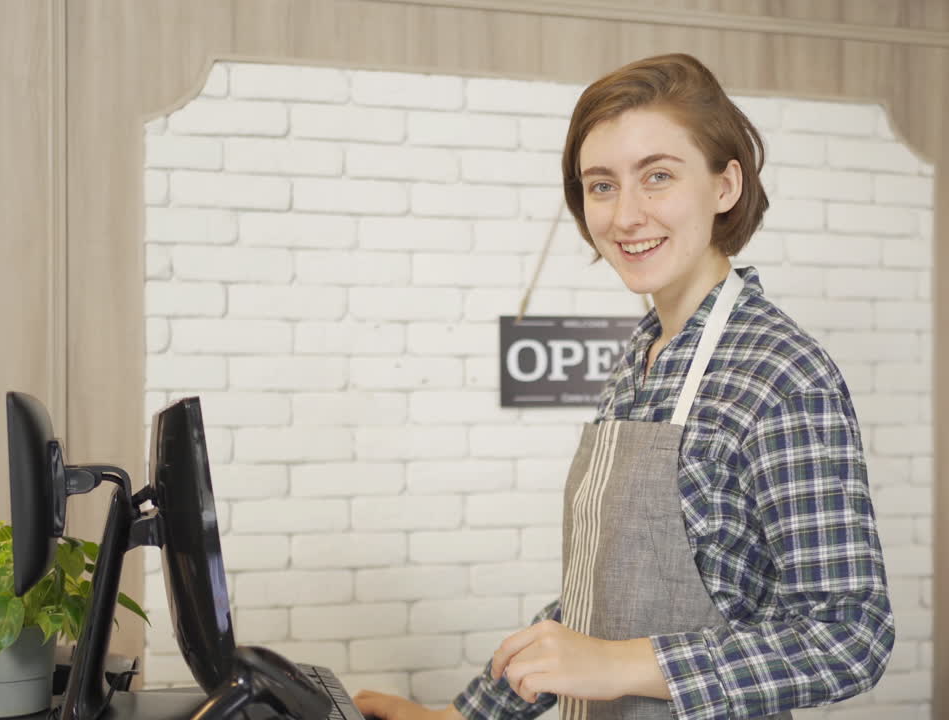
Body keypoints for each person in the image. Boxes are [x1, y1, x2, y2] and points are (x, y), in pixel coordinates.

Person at [355, 53, 894, 720]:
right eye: (601, 185)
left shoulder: (779, 373)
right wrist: (463, 717)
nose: (626, 215)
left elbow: (850, 633)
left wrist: (621, 665)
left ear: (725, 186)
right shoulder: (643, 356)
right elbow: (602, 598)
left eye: (658, 177)